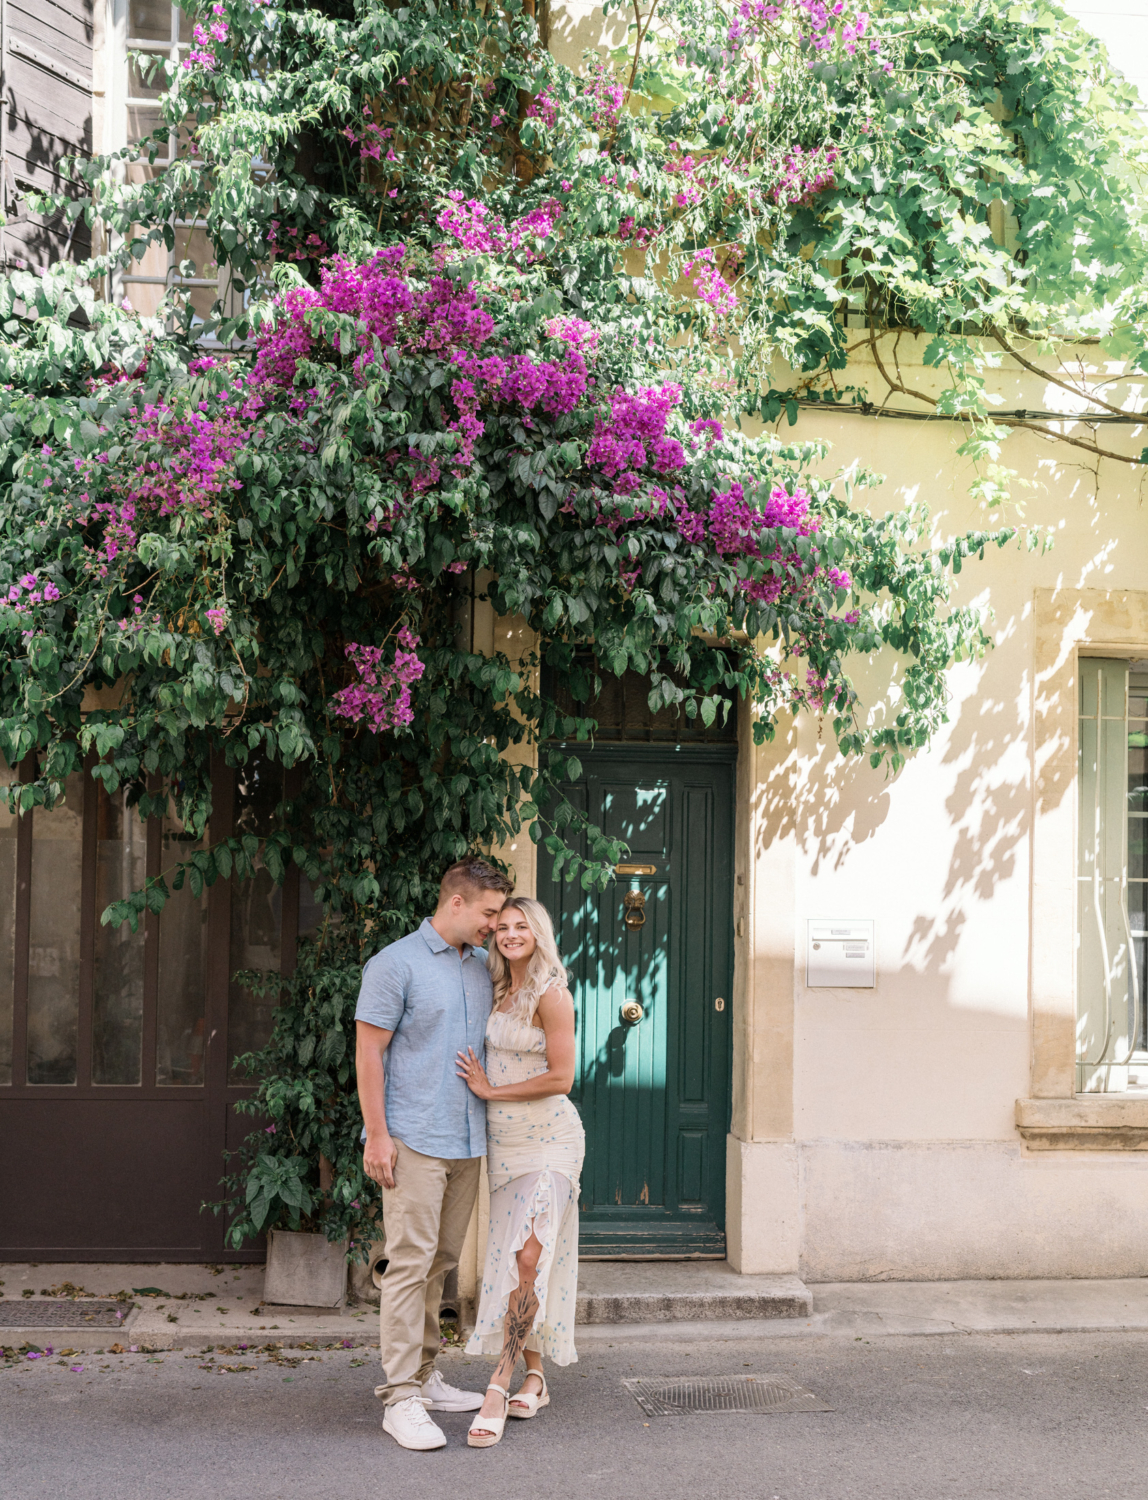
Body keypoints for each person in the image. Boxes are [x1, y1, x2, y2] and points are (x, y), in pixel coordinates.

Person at [356, 855, 514, 1452]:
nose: (495, 925)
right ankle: (399, 1398)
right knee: (410, 1263)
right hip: (412, 1138)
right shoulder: (393, 964)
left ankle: (423, 1375)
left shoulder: (480, 967)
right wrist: (377, 1134)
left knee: (442, 1260)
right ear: (456, 903)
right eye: (489, 913)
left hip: (467, 1137)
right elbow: (368, 1054)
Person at [456, 896, 585, 1448]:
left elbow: (562, 1077)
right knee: (521, 1263)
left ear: (539, 934)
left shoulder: (551, 993)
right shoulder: (495, 986)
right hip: (504, 1146)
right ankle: (536, 1374)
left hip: (552, 1141)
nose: (510, 934)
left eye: (521, 927)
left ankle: (498, 1383)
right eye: (503, 927)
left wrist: (491, 1090)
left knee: (528, 1255)